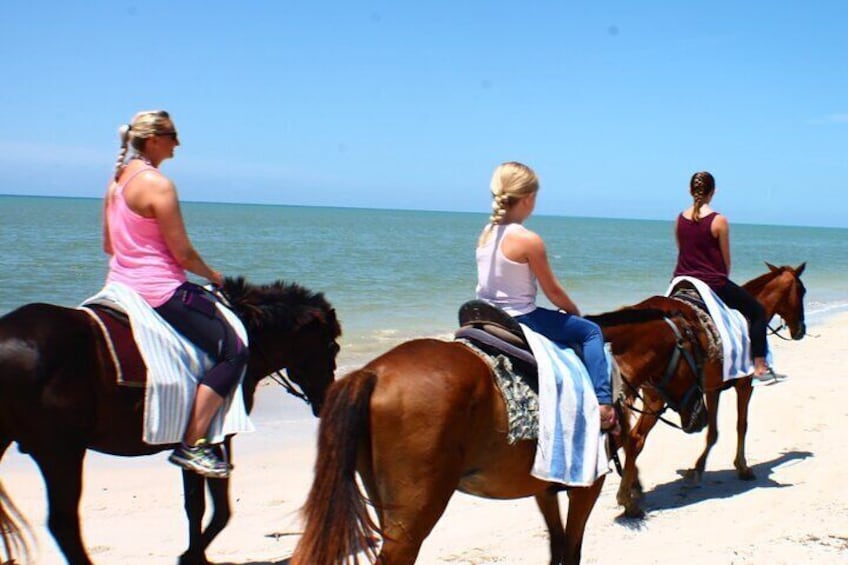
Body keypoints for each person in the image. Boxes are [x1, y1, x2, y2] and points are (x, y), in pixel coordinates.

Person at [103, 110, 249, 478]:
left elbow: (109, 246)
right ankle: (192, 444)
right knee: (234, 352)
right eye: (172, 137)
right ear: (154, 140)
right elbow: (182, 254)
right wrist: (213, 275)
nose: (177, 144)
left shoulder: (116, 182)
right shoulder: (158, 185)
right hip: (159, 290)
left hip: (119, 285)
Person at [475, 161, 616, 431]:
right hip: (521, 318)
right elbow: (553, 292)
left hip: (486, 314)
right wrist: (574, 311)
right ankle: (603, 405)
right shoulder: (527, 239)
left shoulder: (486, 233)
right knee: (590, 333)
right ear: (529, 199)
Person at [672, 171, 775, 383]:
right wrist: (722, 279)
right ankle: (759, 364)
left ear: (690, 191)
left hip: (680, 283)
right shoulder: (719, 221)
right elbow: (725, 262)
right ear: (713, 192)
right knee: (757, 311)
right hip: (711, 284)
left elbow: (681, 251)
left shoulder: (679, 219)